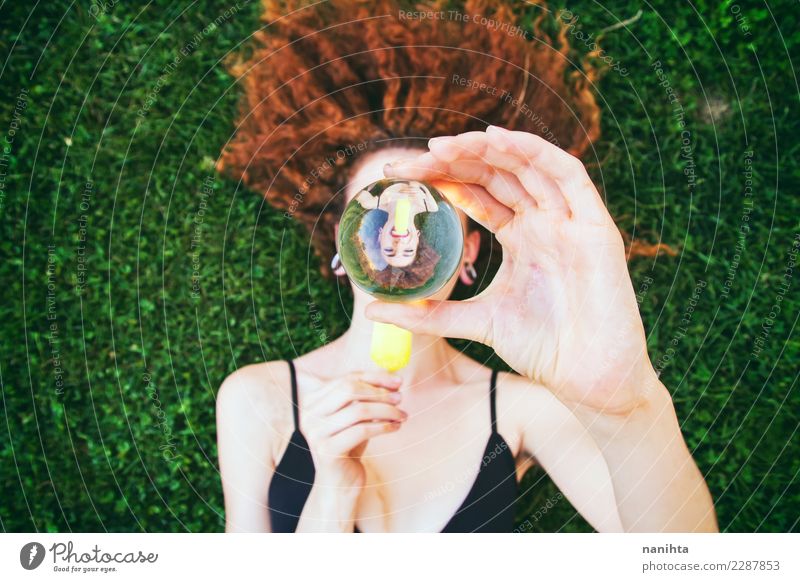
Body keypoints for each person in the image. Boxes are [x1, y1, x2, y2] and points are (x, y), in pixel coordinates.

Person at [215, 0, 717, 533]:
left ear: (467, 250)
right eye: (376, 212)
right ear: (344, 246)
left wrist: (628, 406)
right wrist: (334, 488)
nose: (400, 231)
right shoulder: (257, 399)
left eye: (426, 217)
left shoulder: (522, 411)